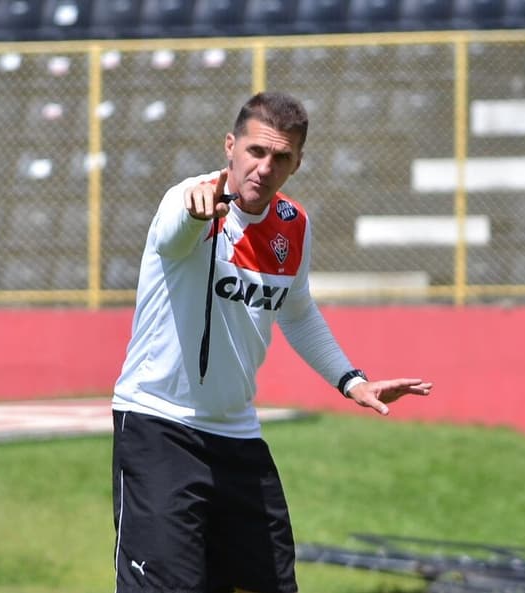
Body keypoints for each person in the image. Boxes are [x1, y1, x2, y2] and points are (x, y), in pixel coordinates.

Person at [112, 91, 432, 593]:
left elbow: (297, 311)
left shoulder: (293, 225)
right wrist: (196, 213)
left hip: (236, 435)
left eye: (281, 157)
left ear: (296, 163)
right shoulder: (189, 199)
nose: (264, 167)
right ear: (230, 146)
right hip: (159, 426)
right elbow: (174, 237)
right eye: (256, 151)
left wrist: (352, 381)